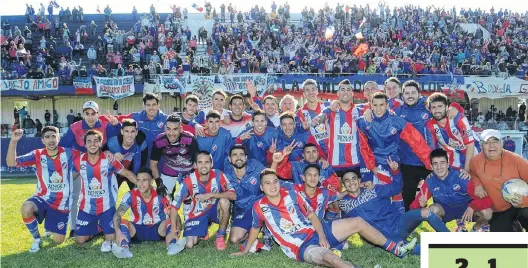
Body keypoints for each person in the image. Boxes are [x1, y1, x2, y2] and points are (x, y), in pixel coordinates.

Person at [231, 168, 417, 267]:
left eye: (275, 181)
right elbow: (255, 228)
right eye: (267, 183)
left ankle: (395, 249)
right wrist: (246, 250)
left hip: (318, 232)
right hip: (301, 246)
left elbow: (312, 216)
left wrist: (321, 236)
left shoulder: (293, 195)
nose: (272, 186)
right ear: (261, 188)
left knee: (358, 222)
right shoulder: (259, 207)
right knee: (331, 259)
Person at [339, 158, 448, 255]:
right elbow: (338, 218)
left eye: (354, 179)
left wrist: (395, 172)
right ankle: (441, 250)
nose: (351, 182)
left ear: (359, 181)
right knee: (404, 247)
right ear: (343, 185)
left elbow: (396, 188)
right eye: (347, 180)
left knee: (426, 212)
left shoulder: (373, 190)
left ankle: (453, 240)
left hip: (399, 223)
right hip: (382, 236)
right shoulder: (344, 204)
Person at [6, 127, 76, 253]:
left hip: (62, 204)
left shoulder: (69, 153)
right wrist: (13, 141)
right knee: (27, 207)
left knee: (59, 241)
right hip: (42, 198)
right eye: (47, 137)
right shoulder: (37, 154)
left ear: (58, 138)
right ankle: (37, 239)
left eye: (54, 136)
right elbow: (11, 163)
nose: (51, 140)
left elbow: (89, 156)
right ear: (43, 140)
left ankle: (49, 225)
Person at [59, 101, 120, 237]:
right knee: (75, 196)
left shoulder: (105, 125)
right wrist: (75, 155)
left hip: (99, 166)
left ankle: (102, 224)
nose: (90, 117)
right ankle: (74, 228)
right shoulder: (75, 127)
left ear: (98, 114)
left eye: (93, 114)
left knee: (102, 195)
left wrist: (117, 124)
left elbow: (117, 135)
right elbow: (63, 145)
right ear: (83, 115)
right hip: (80, 166)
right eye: (87, 114)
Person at [73, 130, 137, 252]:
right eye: (89, 141)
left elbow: (127, 173)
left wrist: (141, 185)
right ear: (85, 144)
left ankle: (104, 226)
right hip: (86, 207)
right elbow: (69, 178)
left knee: (110, 239)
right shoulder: (78, 160)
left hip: (107, 207)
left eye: (96, 141)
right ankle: (98, 228)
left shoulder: (109, 160)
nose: (92, 144)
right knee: (80, 240)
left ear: (101, 143)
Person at [411, 149, 493, 232]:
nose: (439, 167)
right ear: (431, 166)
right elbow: (416, 204)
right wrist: (422, 206)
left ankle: (474, 230)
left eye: (442, 163)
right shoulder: (430, 181)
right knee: (432, 211)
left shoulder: (462, 177)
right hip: (446, 210)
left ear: (448, 164)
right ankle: (446, 236)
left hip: (466, 208)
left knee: (487, 212)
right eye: (435, 164)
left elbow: (487, 200)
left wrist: (472, 207)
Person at [111, 168, 186, 258]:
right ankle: (123, 248)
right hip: (137, 230)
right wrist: (118, 232)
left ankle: (173, 245)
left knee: (170, 220)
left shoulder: (161, 195)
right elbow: (117, 214)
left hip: (158, 230)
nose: (140, 184)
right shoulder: (130, 195)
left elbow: (175, 215)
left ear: (151, 181)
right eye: (138, 180)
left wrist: (177, 230)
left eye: (144, 180)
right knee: (122, 221)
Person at [170, 151, 235, 250]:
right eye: (200, 162)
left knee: (224, 202)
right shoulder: (188, 181)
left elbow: (234, 195)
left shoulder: (219, 174)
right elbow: (174, 206)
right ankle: (203, 231)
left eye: (207, 162)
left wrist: (211, 195)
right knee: (190, 244)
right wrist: (173, 229)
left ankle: (220, 236)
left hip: (214, 209)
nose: (204, 165)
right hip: (197, 213)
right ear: (195, 165)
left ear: (211, 164)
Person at [311, 79, 374, 176]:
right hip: (334, 164)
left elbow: (375, 108)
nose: (345, 92)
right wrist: (317, 119)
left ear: (352, 93)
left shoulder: (360, 111)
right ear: (338, 93)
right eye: (343, 89)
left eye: (348, 89)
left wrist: (370, 111)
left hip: (356, 163)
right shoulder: (331, 109)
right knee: (337, 191)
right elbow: (322, 115)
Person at [470, 129, 528, 232]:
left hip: (521, 206)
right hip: (499, 210)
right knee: (500, 239)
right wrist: (478, 184)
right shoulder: (475, 161)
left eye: (495, 141)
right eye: (487, 142)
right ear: (481, 145)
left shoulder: (517, 160)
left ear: (502, 143)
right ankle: (515, 226)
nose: (491, 146)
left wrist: (524, 201)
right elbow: (473, 174)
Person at [223, 145, 266, 245]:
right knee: (234, 240)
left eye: (241, 154)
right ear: (229, 159)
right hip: (241, 209)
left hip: (258, 206)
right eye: (234, 155)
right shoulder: (226, 174)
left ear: (246, 157)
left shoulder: (255, 165)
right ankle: (252, 229)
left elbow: (270, 178)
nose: (238, 157)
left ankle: (264, 224)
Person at [426, 93, 479, 171]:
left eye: (440, 106)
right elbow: (433, 150)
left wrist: (467, 170)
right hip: (455, 158)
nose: (437, 110)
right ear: (430, 110)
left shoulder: (458, 118)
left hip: (475, 153)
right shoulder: (430, 126)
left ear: (447, 107)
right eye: (433, 107)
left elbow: (470, 145)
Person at [151, 115, 199, 198]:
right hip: (170, 169)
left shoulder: (190, 138)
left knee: (189, 197)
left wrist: (190, 175)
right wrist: (159, 183)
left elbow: (197, 160)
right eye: (168, 129)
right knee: (163, 197)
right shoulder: (159, 141)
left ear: (181, 129)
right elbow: (153, 164)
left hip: (188, 170)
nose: (171, 133)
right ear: (165, 128)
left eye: (175, 129)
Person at [106, 119, 148, 190]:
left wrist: (140, 179)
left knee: (137, 195)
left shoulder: (141, 143)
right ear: (122, 131)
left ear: (136, 132)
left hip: (133, 170)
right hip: (116, 171)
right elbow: (101, 155)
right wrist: (111, 154)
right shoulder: (112, 143)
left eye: (132, 131)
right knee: (111, 196)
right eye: (126, 131)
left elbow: (143, 163)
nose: (129, 135)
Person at [296, 79, 331, 154]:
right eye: (307, 90)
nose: (311, 92)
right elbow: (299, 131)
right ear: (304, 94)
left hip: (333, 150)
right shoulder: (300, 112)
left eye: (313, 89)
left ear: (317, 91)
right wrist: (302, 128)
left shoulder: (327, 105)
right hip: (315, 154)